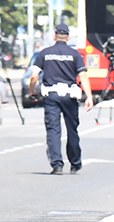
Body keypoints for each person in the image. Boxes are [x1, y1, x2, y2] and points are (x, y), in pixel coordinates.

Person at [28, 24, 93, 175]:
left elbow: (34, 75)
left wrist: (32, 90)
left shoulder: (45, 53)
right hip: (70, 96)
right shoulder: (75, 54)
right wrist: (89, 96)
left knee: (53, 130)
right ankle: (75, 162)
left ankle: (57, 164)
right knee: (72, 129)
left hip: (51, 96)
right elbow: (83, 75)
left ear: (54, 36)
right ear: (68, 37)